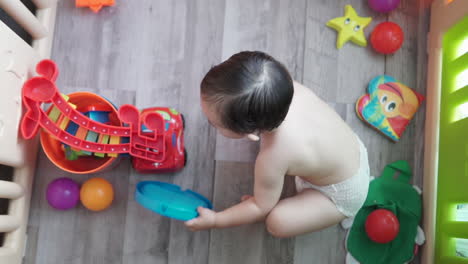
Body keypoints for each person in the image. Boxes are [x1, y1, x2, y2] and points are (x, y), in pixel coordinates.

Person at [185, 51, 370, 237]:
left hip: (342, 193)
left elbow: (259, 205)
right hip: (353, 151)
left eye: (213, 123)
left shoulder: (272, 157)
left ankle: (340, 209)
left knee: (277, 223)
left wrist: (216, 220)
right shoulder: (282, 85)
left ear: (249, 132)